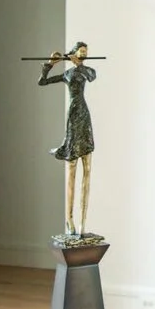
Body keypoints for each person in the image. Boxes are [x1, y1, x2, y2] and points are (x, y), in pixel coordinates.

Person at [39, 43, 100, 238]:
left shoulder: (84, 71)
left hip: (85, 117)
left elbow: (92, 75)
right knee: (72, 170)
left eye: (85, 54)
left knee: (87, 171)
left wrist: (78, 63)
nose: (84, 56)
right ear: (74, 53)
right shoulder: (68, 75)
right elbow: (42, 82)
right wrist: (50, 64)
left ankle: (83, 223)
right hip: (73, 117)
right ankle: (69, 220)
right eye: (81, 53)